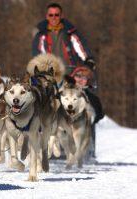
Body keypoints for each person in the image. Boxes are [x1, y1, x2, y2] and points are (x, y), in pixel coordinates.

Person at [32, 3, 104, 157]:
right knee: (39, 104)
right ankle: (43, 146)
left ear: (61, 16)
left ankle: (87, 144)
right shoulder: (41, 36)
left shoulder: (71, 34)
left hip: (72, 74)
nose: (53, 18)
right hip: (51, 76)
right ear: (47, 16)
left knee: (88, 102)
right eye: (50, 15)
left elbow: (83, 51)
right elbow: (38, 56)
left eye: (56, 15)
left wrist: (88, 62)